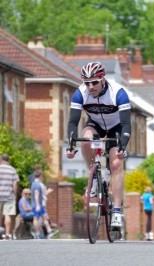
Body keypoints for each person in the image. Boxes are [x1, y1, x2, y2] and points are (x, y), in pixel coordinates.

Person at [66, 62, 131, 228]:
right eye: (86, 82)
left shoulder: (118, 93)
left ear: (103, 79)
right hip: (96, 124)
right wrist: (71, 144)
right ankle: (94, 174)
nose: (90, 86)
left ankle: (116, 210)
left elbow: (126, 124)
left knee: (116, 163)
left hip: (117, 127)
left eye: (94, 82)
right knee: (86, 139)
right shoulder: (80, 93)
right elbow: (73, 122)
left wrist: (122, 146)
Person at [31, 170, 58, 239]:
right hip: (37, 205)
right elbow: (36, 194)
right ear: (40, 176)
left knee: (45, 217)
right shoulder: (37, 185)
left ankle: (49, 231)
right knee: (36, 219)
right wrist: (37, 205)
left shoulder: (33, 183)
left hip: (39, 205)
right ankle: (37, 233)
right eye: (42, 177)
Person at [0, 154, 19, 240]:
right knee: (7, 215)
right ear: (8, 160)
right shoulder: (12, 170)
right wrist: (14, 194)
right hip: (9, 196)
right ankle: (7, 234)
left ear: (1, 159)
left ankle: (0, 233)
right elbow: (15, 184)